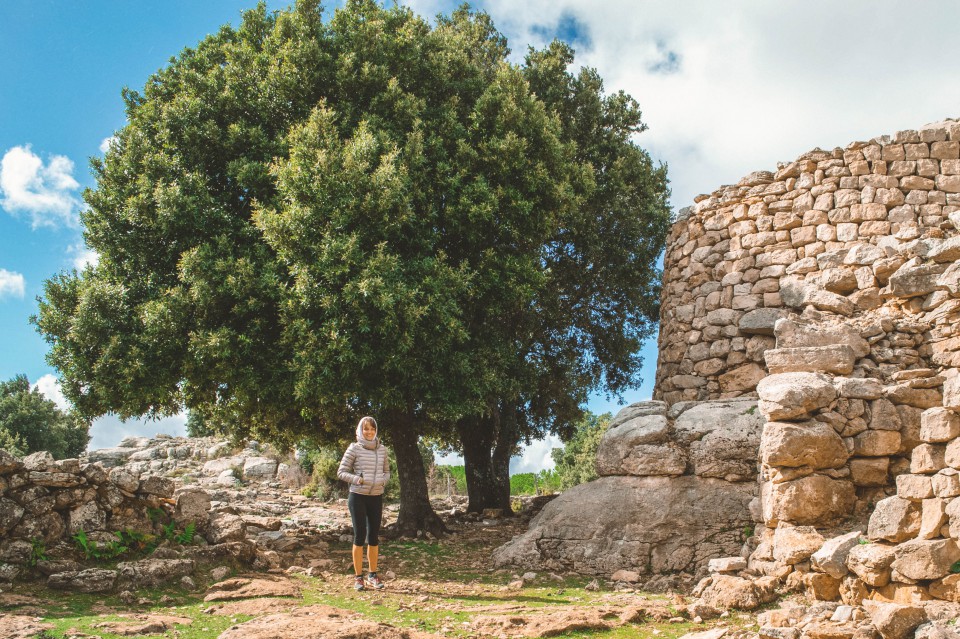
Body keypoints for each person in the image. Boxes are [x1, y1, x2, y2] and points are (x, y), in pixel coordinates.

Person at [337, 415, 390, 591]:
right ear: (360, 430)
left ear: (376, 431)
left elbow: (387, 471)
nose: (369, 432)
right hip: (357, 496)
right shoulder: (354, 449)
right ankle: (358, 578)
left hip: (376, 496)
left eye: (372, 429)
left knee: (374, 537)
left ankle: (373, 575)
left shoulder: (382, 449)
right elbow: (341, 472)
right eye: (366, 429)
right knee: (359, 537)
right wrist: (358, 480)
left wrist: (383, 481)